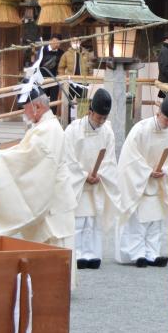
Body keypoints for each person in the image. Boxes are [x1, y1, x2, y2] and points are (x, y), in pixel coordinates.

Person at [0, 94, 77, 282]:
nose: (24, 112)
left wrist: (0, 158)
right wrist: (0, 155)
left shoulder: (49, 129)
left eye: (25, 107)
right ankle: (46, 281)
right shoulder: (43, 127)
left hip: (54, 198)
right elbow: (24, 151)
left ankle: (54, 283)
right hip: (51, 193)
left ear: (36, 106)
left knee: (55, 239)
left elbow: (31, 158)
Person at [112, 94, 168, 267]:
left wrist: (165, 170)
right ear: (158, 113)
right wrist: (147, 172)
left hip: (158, 182)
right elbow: (130, 157)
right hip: (139, 181)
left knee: (155, 222)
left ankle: (153, 253)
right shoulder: (141, 129)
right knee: (138, 222)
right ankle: (137, 253)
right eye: (166, 119)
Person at [61, 87, 119, 271]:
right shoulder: (73, 130)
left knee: (93, 221)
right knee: (79, 221)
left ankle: (93, 254)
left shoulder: (107, 132)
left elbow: (110, 159)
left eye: (104, 118)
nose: (101, 121)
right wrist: (84, 175)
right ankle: (77, 254)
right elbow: (68, 158)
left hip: (97, 180)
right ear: (90, 112)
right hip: (79, 182)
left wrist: (99, 174)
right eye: (98, 117)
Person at [58, 36, 90, 120]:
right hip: (70, 82)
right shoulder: (66, 54)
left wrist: (89, 78)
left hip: (83, 82)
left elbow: (90, 67)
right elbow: (61, 67)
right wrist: (63, 77)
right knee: (67, 101)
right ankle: (67, 121)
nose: (75, 42)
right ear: (70, 42)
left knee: (82, 102)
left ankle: (82, 121)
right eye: (73, 41)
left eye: (77, 41)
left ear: (80, 41)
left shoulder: (86, 53)